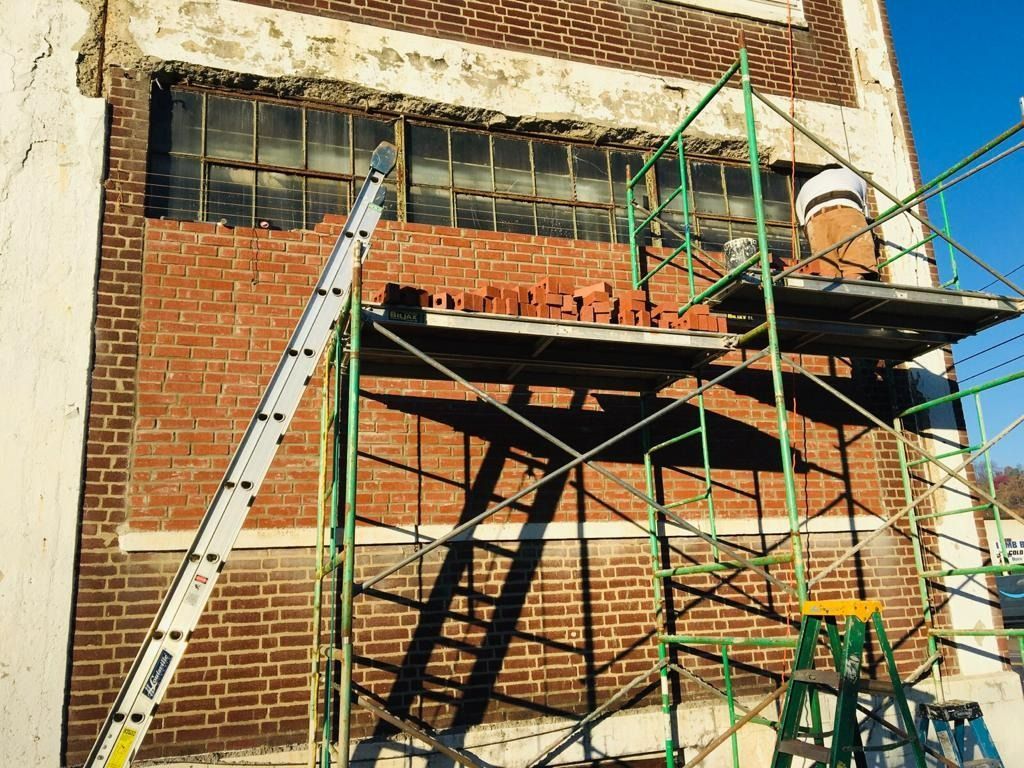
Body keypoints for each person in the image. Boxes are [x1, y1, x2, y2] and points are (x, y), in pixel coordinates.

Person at [794, 165, 878, 280]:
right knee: (855, 264)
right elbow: (865, 213)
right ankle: (855, 283)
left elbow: (803, 226)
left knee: (827, 271)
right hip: (847, 211)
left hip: (814, 220)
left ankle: (832, 286)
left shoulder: (805, 187)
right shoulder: (854, 175)